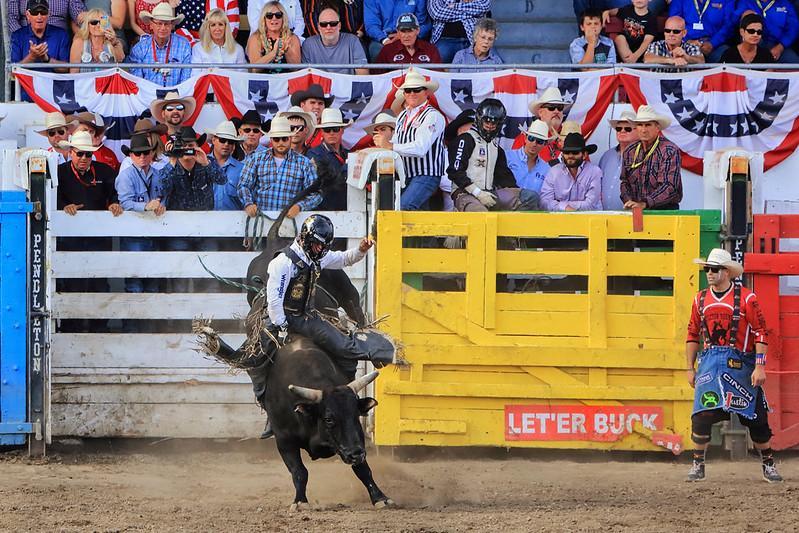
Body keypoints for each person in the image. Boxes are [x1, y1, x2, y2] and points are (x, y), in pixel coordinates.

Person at [258, 214, 375, 437]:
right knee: (257, 360)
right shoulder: (282, 263)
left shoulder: (316, 256)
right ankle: (269, 409)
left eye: (324, 246)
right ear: (304, 239)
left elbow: (343, 259)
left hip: (306, 317)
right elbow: (274, 301)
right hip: (280, 319)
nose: (321, 250)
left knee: (348, 349)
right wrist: (281, 327)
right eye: (317, 245)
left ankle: (344, 398)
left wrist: (361, 249)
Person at [685, 248, 783, 483]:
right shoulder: (699, 299)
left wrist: (760, 367)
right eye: (707, 269)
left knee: (756, 419)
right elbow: (691, 333)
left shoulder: (748, 298)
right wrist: (689, 368)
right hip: (709, 364)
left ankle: (768, 463)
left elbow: (760, 332)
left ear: (726, 272)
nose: (709, 273)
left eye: (714, 269)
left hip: (742, 365)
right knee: (701, 415)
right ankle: (698, 463)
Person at [373, 70, 446, 211]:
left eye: (417, 89)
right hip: (407, 175)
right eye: (408, 90)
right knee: (417, 216)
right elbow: (396, 141)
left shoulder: (433, 116)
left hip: (427, 175)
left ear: (426, 92)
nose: (412, 93)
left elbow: (420, 148)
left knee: (403, 208)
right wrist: (383, 145)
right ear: (404, 94)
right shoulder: (402, 116)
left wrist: (389, 145)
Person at [447, 99, 536, 213]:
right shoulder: (466, 139)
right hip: (465, 193)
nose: (490, 126)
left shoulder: (495, 147)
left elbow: (505, 177)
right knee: (481, 214)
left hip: (489, 193)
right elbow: (454, 171)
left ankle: (511, 230)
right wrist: (477, 193)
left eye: (494, 123)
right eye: (487, 121)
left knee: (529, 197)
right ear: (479, 119)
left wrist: (515, 192)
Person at [116, 132, 170, 293]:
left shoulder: (159, 175)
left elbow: (164, 195)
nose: (142, 156)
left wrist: (162, 205)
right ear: (131, 155)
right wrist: (146, 206)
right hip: (134, 236)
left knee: (153, 283)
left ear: (152, 153)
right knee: (135, 284)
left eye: (146, 152)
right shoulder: (126, 176)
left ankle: (149, 319)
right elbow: (124, 203)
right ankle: (134, 319)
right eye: (137, 153)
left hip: (154, 234)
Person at [238, 116, 321, 218]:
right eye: (277, 139)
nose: (281, 142)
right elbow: (243, 185)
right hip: (260, 221)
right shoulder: (256, 159)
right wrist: (248, 203)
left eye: (284, 138)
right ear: (271, 140)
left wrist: (299, 206)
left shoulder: (304, 163)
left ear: (290, 138)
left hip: (291, 222)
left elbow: (317, 194)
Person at [620, 105, 682, 210]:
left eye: (648, 125)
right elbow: (624, 181)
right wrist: (628, 200)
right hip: (636, 210)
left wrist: (645, 203)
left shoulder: (669, 150)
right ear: (636, 128)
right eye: (640, 125)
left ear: (657, 128)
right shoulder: (630, 151)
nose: (643, 130)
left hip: (664, 212)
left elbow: (670, 186)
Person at [11, 0, 70, 101]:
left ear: (49, 14)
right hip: (27, 96)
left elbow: (67, 68)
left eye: (43, 12)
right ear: (28, 15)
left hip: (55, 96)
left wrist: (47, 59)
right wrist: (31, 57)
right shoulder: (17, 36)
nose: (39, 16)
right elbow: (12, 73)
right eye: (35, 13)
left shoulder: (61, 34)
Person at [57, 130, 122, 218]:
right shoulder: (59, 172)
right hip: (69, 222)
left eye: (88, 154)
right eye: (79, 154)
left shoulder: (105, 170)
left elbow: (115, 192)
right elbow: (54, 197)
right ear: (70, 153)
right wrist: (64, 206)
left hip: (100, 222)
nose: (84, 158)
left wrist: (114, 204)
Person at [127, 3, 192, 86]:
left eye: (167, 24)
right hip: (147, 96)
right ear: (151, 25)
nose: (163, 28)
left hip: (176, 96)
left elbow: (185, 82)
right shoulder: (140, 48)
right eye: (159, 23)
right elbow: (137, 83)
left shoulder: (184, 45)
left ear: (172, 25)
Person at [540, 132, 603, 212]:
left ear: (584, 155)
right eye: (566, 152)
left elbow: (590, 205)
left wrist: (561, 205)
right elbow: (544, 203)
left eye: (575, 152)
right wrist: (565, 208)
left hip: (588, 220)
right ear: (562, 154)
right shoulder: (554, 172)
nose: (570, 156)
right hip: (561, 221)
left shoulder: (594, 172)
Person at [301, 6, 369, 75]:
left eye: (333, 23)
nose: (328, 27)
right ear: (318, 27)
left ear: (339, 25)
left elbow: (363, 75)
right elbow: (304, 77)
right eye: (323, 24)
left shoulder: (353, 41)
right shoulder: (308, 44)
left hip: (347, 85)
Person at [307, 108, 351, 211]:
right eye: (327, 129)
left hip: (347, 210)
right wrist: (349, 165)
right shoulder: (314, 154)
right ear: (322, 132)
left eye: (335, 129)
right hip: (323, 211)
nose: (331, 133)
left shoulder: (349, 154)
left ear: (342, 130)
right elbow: (328, 182)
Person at [668, 0, 735, 62]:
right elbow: (674, 23)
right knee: (677, 56)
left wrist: (712, 44)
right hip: (686, 43)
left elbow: (728, 26)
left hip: (715, 45)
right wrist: (686, 41)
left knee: (728, 55)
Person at [734, 0, 799, 63]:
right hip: (754, 45)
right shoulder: (745, 2)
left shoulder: (785, 3)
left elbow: (793, 28)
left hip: (778, 45)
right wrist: (743, 15)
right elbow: (733, 21)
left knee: (794, 62)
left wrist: (780, 47)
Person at [427, 0, 491, 63]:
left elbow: (483, 7)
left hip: (473, 40)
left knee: (487, 66)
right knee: (439, 69)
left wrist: (455, 6)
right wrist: (471, 13)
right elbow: (437, 13)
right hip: (446, 40)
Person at [373, 13, 441, 72]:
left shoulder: (431, 49)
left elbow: (438, 76)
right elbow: (378, 78)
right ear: (398, 32)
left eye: (410, 31)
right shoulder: (387, 50)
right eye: (403, 31)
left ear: (417, 31)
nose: (406, 35)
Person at [364, 0, 431, 60]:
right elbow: (371, 25)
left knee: (425, 50)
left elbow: (424, 24)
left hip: (411, 35)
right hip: (384, 37)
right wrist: (385, 40)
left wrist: (406, 35)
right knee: (377, 51)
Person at [598, 111, 637, 211]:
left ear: (638, 132)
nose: (622, 131)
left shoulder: (643, 157)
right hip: (604, 218)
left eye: (627, 128)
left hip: (630, 218)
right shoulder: (607, 156)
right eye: (618, 128)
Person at [246, 2, 302, 69]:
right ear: (264, 19)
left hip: (286, 78)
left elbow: (296, 69)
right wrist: (273, 53)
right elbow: (255, 69)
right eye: (269, 15)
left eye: (278, 15)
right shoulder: (256, 38)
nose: (274, 18)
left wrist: (286, 50)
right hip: (263, 78)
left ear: (283, 18)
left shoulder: (292, 38)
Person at [507, 120, 554, 197]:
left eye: (539, 141)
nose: (534, 144)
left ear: (545, 144)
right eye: (531, 138)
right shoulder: (507, 157)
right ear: (525, 138)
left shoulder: (547, 170)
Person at [69, 8, 125, 73]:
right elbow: (73, 73)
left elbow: (120, 59)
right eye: (94, 22)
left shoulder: (113, 42)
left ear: (107, 24)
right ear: (87, 25)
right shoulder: (79, 43)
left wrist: (114, 43)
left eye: (102, 22)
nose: (98, 25)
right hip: (85, 82)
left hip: (108, 82)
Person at [207, 120, 245, 211]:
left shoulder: (242, 169)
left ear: (234, 146)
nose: (226, 144)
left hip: (234, 222)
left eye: (231, 142)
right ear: (214, 140)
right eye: (222, 140)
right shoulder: (200, 164)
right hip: (204, 222)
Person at [528, 86, 572, 164]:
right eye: (551, 107)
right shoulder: (528, 137)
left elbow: (584, 167)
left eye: (560, 108)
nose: (556, 111)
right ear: (540, 112)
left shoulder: (572, 136)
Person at [174, 0, 239, 44]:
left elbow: (232, 30)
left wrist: (214, 47)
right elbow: (177, 28)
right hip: (190, 48)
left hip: (220, 48)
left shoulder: (229, 1)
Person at [289, 83, 332, 148]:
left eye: (320, 103)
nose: (317, 106)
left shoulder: (330, 129)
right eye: (312, 102)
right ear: (302, 105)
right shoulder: (288, 126)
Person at [8, 0, 86, 34]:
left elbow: (78, 13)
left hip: (57, 39)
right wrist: (22, 37)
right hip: (26, 37)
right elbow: (11, 18)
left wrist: (90, 20)